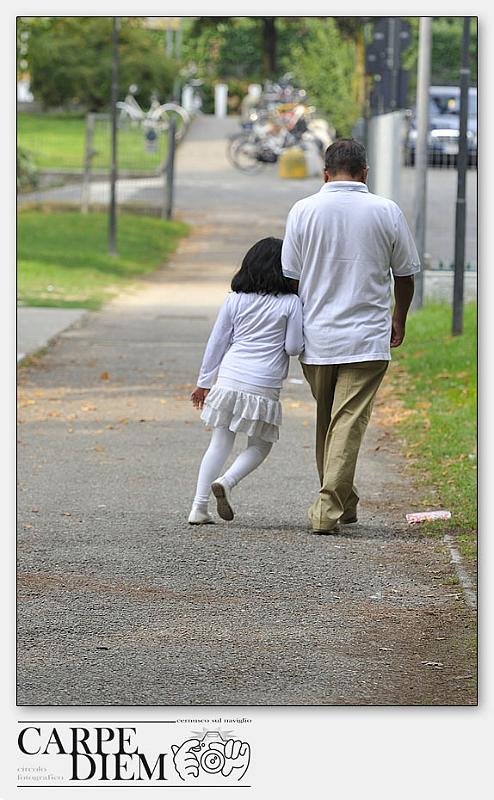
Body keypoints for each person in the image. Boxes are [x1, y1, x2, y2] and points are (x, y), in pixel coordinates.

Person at [281, 138, 420, 534]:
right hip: (366, 336)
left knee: (331, 421)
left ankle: (338, 501)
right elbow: (405, 275)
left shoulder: (303, 210)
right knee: (346, 423)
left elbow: (290, 277)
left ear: (325, 173)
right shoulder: (386, 211)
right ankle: (333, 507)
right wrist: (399, 317)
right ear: (365, 173)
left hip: (317, 336)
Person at [188, 236, 304, 524]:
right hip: (263, 383)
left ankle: (198, 508)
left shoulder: (234, 300)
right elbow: (292, 348)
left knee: (219, 442)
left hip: (229, 377)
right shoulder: (291, 303)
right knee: (260, 445)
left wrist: (204, 382)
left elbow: (217, 342)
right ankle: (227, 481)